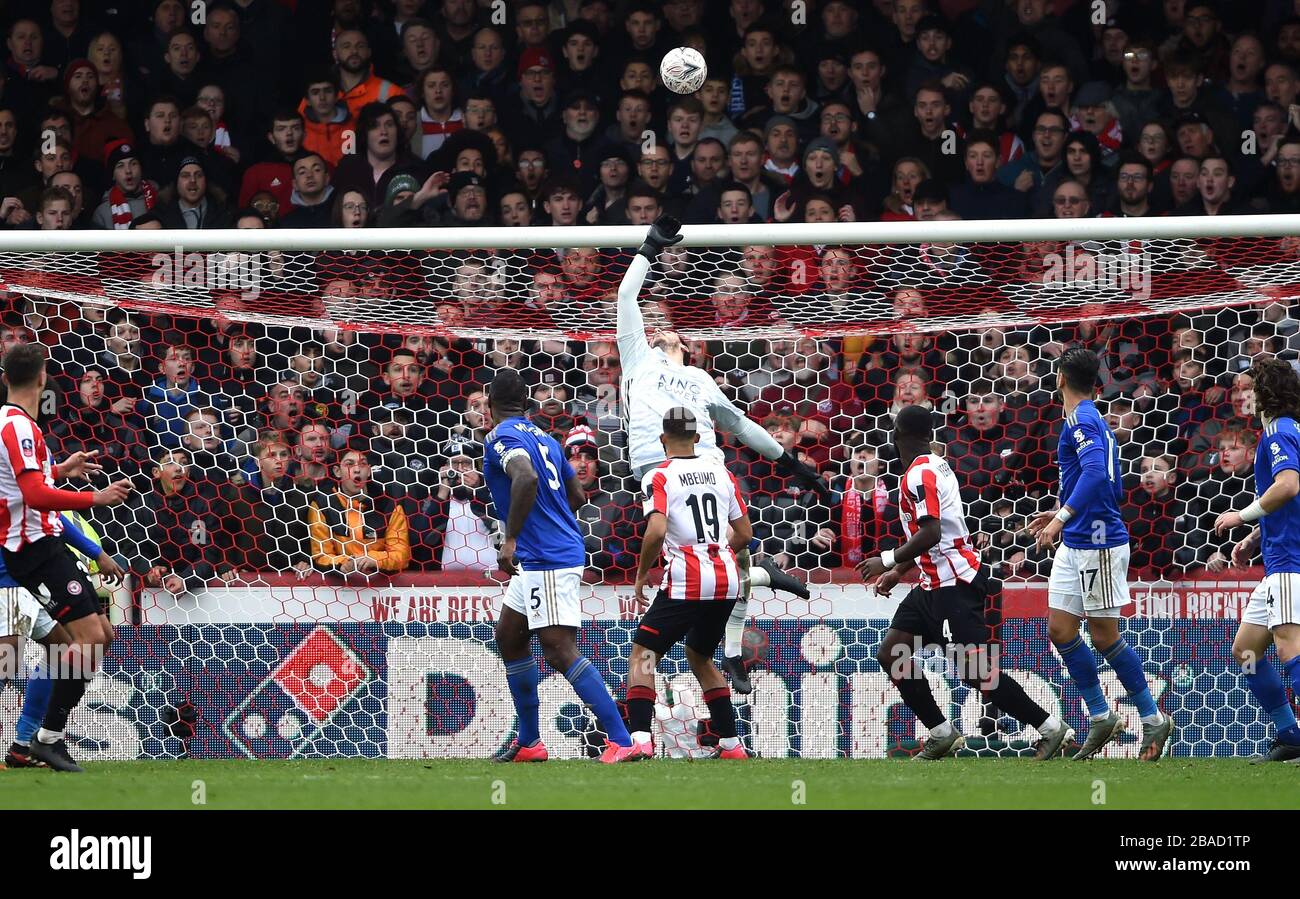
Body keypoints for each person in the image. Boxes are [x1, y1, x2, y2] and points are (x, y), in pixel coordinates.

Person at [616, 215, 818, 692]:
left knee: (726, 551)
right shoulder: (636, 356)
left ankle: (729, 652)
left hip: (701, 465)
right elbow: (627, 297)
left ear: (687, 347)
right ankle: (752, 596)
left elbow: (743, 426)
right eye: (658, 327)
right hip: (658, 462)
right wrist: (650, 247)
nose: (664, 332)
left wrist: (790, 464)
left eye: (673, 332)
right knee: (717, 559)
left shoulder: (701, 380)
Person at [857, 404, 1072, 760]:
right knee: (893, 651)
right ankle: (942, 733)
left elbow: (931, 531)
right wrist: (900, 571)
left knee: (975, 673)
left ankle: (1051, 729)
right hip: (932, 583)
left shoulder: (917, 475)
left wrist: (887, 560)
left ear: (895, 439)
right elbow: (936, 533)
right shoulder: (935, 465)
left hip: (953, 585)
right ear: (929, 436)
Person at [1027, 347, 1174, 760]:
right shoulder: (1087, 419)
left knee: (1104, 636)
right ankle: (1101, 716)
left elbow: (1096, 474)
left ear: (1059, 378)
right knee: (1060, 630)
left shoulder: (1084, 420)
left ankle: (1152, 718)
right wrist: (1061, 513)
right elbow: (1108, 480)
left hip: (1099, 543)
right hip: (1077, 540)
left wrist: (1063, 516)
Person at [484, 368, 636, 763]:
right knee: (510, 638)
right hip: (544, 556)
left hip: (546, 558)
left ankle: (621, 739)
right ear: (527, 403)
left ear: (488, 406)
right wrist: (551, 524)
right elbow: (578, 494)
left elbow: (525, 476)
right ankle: (531, 742)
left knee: (558, 648)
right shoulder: (547, 438)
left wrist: (515, 537)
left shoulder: (502, 436)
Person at [0, 343, 132, 771]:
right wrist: (98, 497)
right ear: (42, 379)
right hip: (26, 554)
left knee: (90, 641)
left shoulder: (18, 427)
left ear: (6, 378)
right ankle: (42, 740)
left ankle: (32, 742)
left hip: (41, 549)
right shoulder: (18, 427)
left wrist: (61, 470)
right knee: (13, 659)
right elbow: (34, 495)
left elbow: (30, 484)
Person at [626, 407, 754, 760]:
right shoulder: (721, 473)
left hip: (687, 580)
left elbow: (655, 529)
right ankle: (731, 745)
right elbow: (744, 532)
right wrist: (717, 553)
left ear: (662, 439)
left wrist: (641, 575)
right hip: (726, 580)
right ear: (697, 438)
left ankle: (638, 740)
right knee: (700, 655)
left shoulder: (659, 476)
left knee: (643, 656)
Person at [1213, 358, 1300, 762]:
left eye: (1249, 387)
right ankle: (1289, 735)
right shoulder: (1283, 431)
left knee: (1289, 646)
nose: (1243, 396)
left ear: (1266, 391)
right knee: (1246, 650)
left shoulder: (1279, 432)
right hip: (1278, 554)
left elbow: (1287, 486)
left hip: (1290, 562)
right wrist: (1254, 536)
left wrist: (1240, 516)